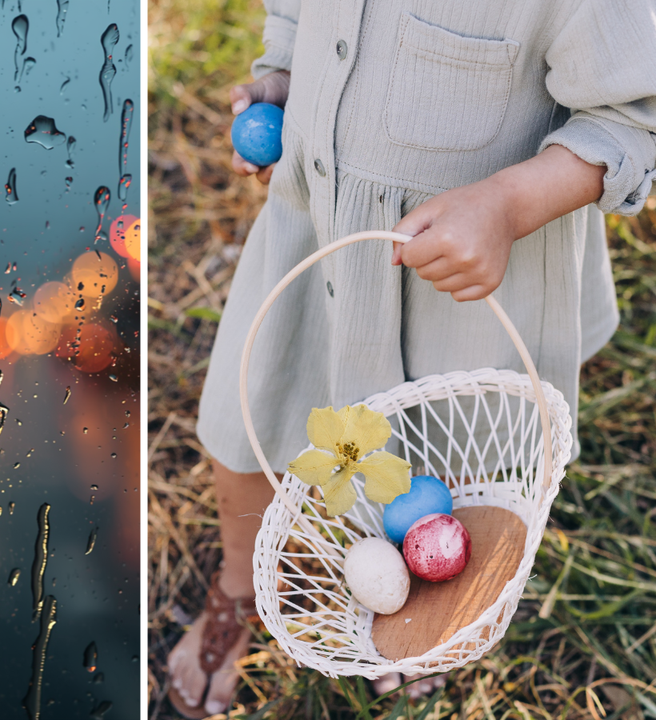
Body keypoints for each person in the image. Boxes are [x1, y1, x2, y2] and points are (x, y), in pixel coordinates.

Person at [165, 0, 656, 715]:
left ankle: (413, 611)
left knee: (441, 475)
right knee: (247, 431)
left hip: (463, 283)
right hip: (319, 238)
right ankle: (240, 587)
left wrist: (509, 205)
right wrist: (280, 76)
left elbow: (633, 117)